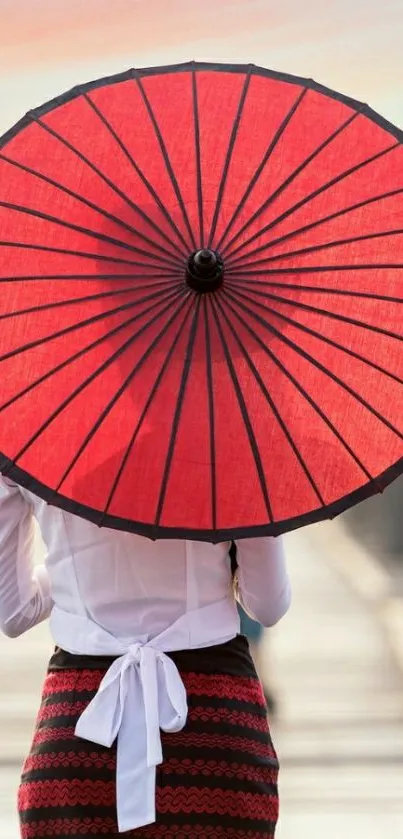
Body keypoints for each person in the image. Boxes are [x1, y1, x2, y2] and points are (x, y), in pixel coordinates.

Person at [0, 473, 291, 838]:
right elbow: (268, 605)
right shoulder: (232, 448)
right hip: (215, 730)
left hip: (79, 735)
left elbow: (14, 612)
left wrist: (71, 570)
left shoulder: (30, 443)